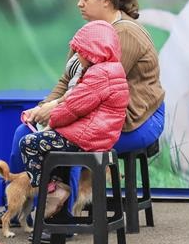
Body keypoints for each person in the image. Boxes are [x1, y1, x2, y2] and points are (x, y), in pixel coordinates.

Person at [0, 0, 166, 237]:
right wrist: (41, 108)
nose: (79, 4)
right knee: (24, 132)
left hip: (136, 120)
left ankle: (60, 219)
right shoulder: (89, 34)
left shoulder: (124, 35)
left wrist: (52, 110)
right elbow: (67, 80)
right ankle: (20, 206)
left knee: (70, 142)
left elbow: (93, 91)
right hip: (94, 112)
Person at [20, 20, 129, 188]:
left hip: (84, 139)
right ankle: (56, 186)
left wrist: (51, 122)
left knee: (29, 143)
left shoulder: (98, 75)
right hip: (99, 138)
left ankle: (49, 190)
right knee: (47, 145)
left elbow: (72, 109)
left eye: (79, 52)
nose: (77, 56)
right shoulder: (114, 70)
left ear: (91, 53)